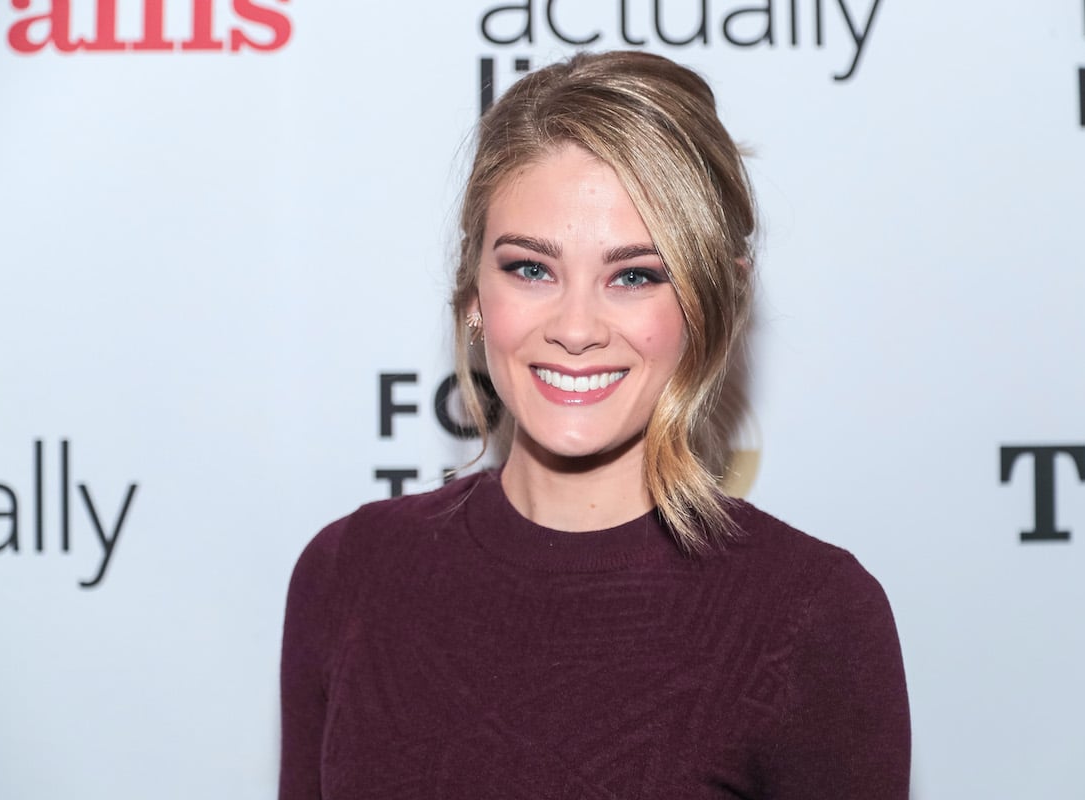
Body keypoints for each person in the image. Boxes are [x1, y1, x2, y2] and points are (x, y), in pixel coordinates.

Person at [279, 50, 910, 799]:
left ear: (714, 300)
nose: (575, 328)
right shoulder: (350, 573)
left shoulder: (811, 616)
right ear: (474, 289)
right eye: (531, 269)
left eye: (635, 275)